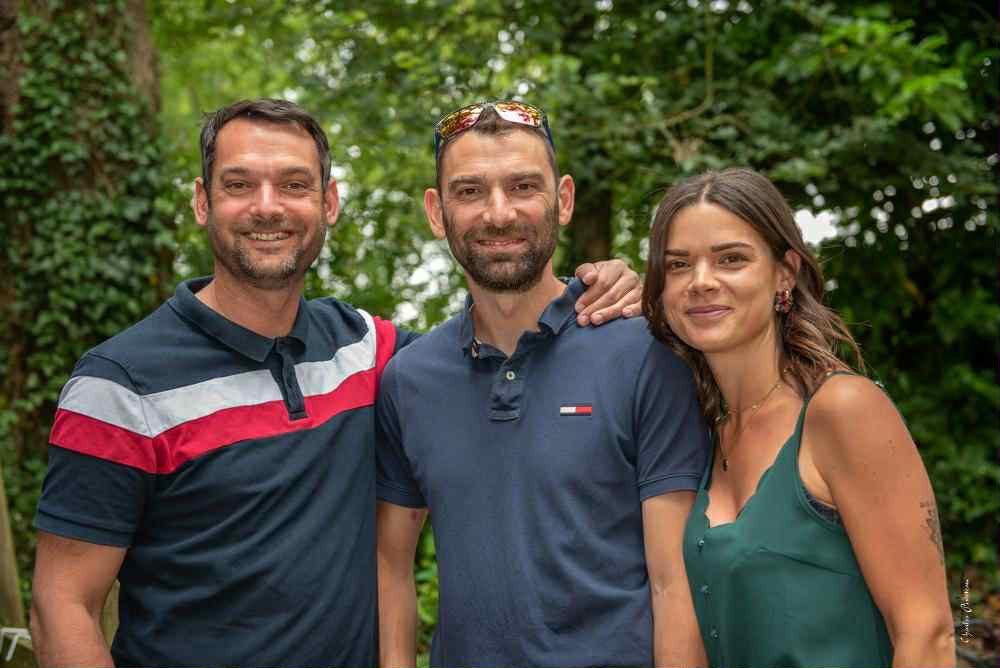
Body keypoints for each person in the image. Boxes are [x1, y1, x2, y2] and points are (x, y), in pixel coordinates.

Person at [28, 98, 643, 668]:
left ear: (328, 203)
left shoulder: (368, 351)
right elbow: (62, 608)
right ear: (201, 201)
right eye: (239, 185)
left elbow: (497, 341)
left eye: (294, 185)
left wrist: (614, 286)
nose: (268, 206)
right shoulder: (119, 386)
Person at [375, 101, 709, 668]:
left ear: (565, 200)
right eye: (470, 191)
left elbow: (676, 584)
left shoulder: (646, 352)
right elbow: (390, 565)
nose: (498, 213)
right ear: (437, 211)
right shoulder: (408, 379)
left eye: (523, 185)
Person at [641, 167, 956, 668]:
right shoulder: (704, 432)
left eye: (731, 259)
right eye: (679, 265)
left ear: (784, 273)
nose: (700, 282)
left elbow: (929, 634)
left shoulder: (843, 411)